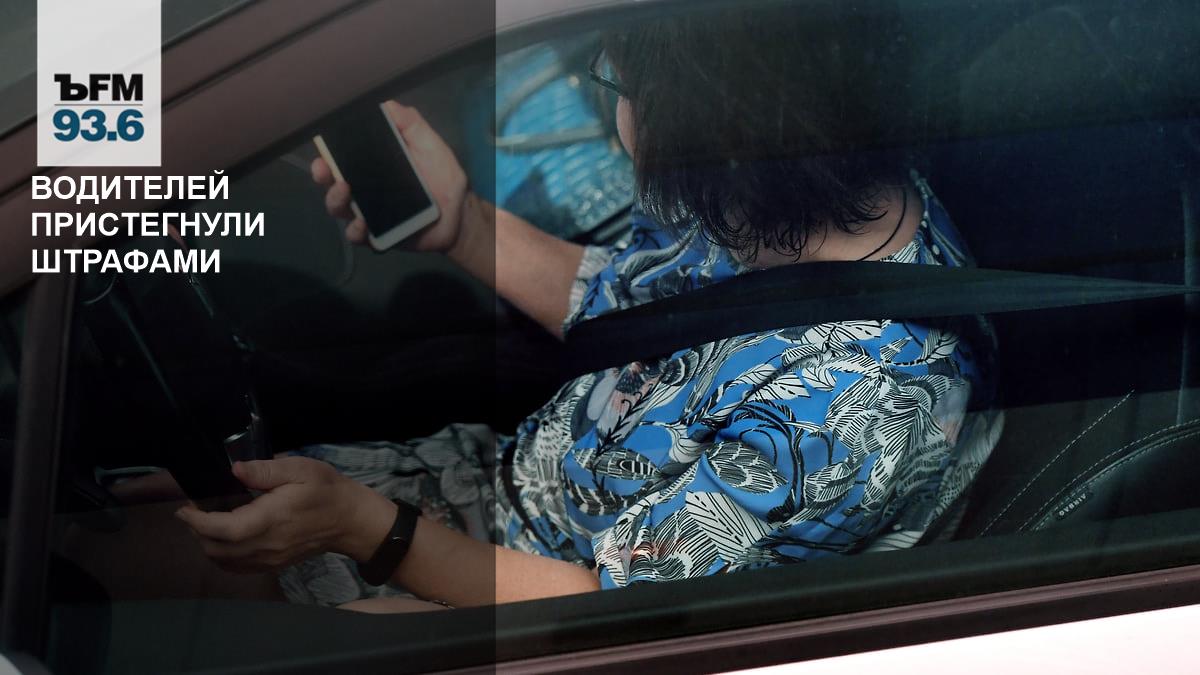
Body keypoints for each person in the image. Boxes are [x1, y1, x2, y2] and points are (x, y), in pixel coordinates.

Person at [175, 8, 1002, 610]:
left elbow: (607, 610)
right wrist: (463, 226)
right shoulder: (798, 189)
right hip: (511, 482)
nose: (614, 110)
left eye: (620, 86)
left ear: (724, 138)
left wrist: (366, 528)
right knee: (182, 511)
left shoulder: (853, 415)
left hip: (526, 596)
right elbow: (643, 303)